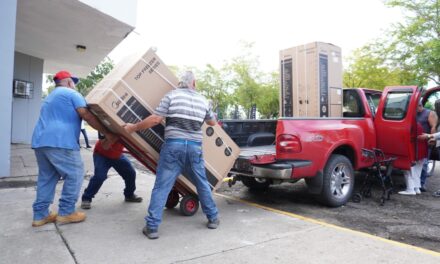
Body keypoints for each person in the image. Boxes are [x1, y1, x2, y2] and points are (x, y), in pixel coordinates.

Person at [125, 71, 219, 239]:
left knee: (162, 186)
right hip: (194, 148)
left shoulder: (171, 96)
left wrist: (133, 128)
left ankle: (152, 227)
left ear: (180, 83)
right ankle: (213, 218)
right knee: (202, 183)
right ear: (194, 83)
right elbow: (212, 122)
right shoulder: (203, 100)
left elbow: (155, 119)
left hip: (173, 146)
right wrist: (211, 115)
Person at [31, 70, 117, 227]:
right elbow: (87, 115)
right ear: (70, 82)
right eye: (74, 83)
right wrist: (107, 133)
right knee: (75, 174)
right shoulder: (71, 94)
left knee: (47, 177)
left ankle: (40, 215)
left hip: (40, 141)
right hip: (60, 141)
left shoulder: (50, 97)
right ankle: (66, 212)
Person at [80, 135, 143, 209]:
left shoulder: (130, 129)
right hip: (101, 155)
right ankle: (86, 198)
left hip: (117, 155)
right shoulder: (108, 127)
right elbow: (105, 145)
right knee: (100, 176)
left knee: (130, 173)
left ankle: (129, 195)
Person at [399, 123, 426, 195]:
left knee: (408, 170)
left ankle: (410, 189)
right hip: (421, 151)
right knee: (417, 171)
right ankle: (417, 188)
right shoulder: (418, 124)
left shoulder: (410, 124)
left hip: (414, 150)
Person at [416, 100, 437, 192]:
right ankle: (415, 183)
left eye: (416, 107)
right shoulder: (414, 113)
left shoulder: (429, 113)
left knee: (424, 163)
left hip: (426, 141)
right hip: (416, 141)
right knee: (415, 164)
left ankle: (422, 183)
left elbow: (433, 127)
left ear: (420, 105)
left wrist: (432, 139)